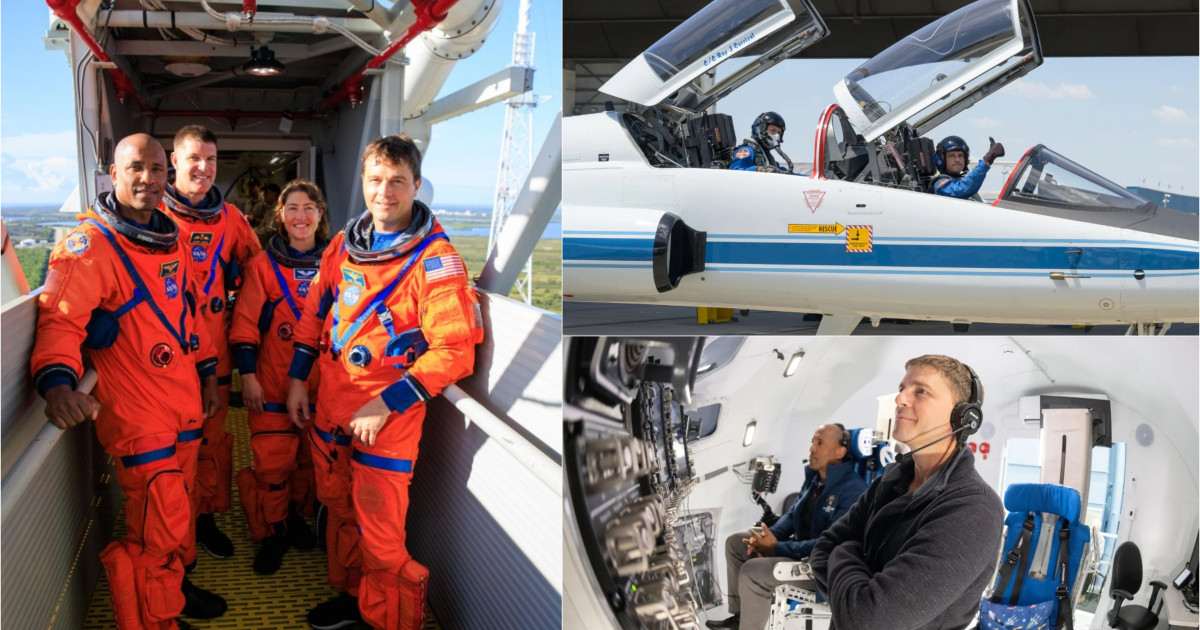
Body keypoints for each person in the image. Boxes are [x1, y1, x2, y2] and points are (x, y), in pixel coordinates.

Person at [286, 134, 484, 630]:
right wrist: (295, 382)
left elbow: (455, 351)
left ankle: (387, 621)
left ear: (417, 185)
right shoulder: (343, 246)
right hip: (332, 407)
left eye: (398, 182)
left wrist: (387, 402)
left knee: (380, 535)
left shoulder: (436, 262)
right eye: (376, 180)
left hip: (386, 420)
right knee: (339, 508)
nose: (385, 192)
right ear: (363, 182)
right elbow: (315, 316)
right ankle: (357, 599)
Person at [31, 133, 227, 628]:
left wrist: (207, 376)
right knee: (156, 524)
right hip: (139, 414)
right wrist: (57, 384)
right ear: (113, 176)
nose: (148, 178)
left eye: (157, 169)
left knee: (178, 511)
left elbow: (192, 315)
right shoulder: (89, 245)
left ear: (167, 176)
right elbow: (60, 321)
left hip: (183, 401)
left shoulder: (173, 238)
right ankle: (152, 618)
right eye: (136, 168)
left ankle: (175, 591)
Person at [809, 355, 1005, 630]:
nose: (899, 398)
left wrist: (844, 551)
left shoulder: (973, 509)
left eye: (921, 391)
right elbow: (821, 550)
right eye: (902, 388)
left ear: (964, 417)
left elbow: (868, 621)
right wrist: (857, 587)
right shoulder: (887, 484)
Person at [160, 124, 263, 564]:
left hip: (216, 354)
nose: (204, 168)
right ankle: (175, 539)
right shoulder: (152, 217)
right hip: (166, 360)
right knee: (173, 451)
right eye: (194, 159)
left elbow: (259, 273)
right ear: (175, 162)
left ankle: (204, 519)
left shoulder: (231, 220)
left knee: (210, 442)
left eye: (212, 160)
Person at [230, 180, 330, 575]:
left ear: (320, 215)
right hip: (272, 385)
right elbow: (244, 327)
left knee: (308, 464)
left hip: (321, 388)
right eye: (292, 208)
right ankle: (274, 532)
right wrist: (248, 378)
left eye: (308, 208)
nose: (300, 216)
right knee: (273, 469)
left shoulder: (337, 265)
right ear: (280, 215)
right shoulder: (262, 266)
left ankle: (295, 518)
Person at [706, 424, 868, 630]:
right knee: (736, 543)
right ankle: (739, 619)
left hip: (822, 566)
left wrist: (776, 548)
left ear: (840, 451)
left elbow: (831, 544)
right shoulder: (815, 481)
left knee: (753, 571)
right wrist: (767, 538)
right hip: (799, 551)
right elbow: (792, 516)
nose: (811, 448)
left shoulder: (853, 489)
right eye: (812, 441)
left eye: (819, 442)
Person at [929, 136, 1006, 200]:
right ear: (942, 159)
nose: (957, 159)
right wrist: (987, 160)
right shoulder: (940, 184)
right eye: (951, 156)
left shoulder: (957, 181)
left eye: (960, 155)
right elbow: (962, 189)